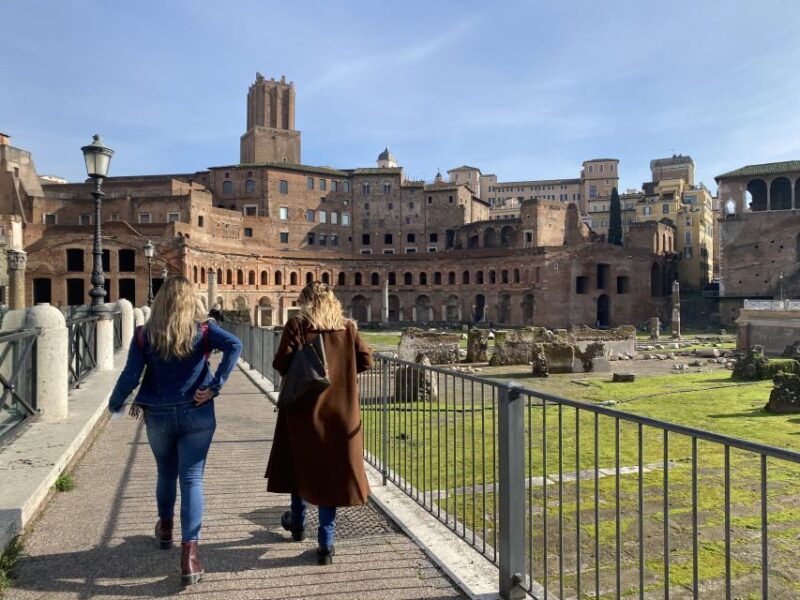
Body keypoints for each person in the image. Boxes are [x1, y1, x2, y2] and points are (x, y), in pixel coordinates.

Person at [108, 275, 242, 586]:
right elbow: (235, 345)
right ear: (190, 300)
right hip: (197, 411)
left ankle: (166, 529)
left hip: (159, 413)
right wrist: (215, 385)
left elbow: (130, 375)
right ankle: (190, 557)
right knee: (192, 478)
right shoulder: (204, 330)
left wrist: (115, 406)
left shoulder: (144, 334)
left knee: (166, 473)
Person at [265, 281, 373, 565]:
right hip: (341, 411)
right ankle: (326, 542)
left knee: (299, 465)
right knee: (331, 473)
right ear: (332, 301)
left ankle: (298, 524)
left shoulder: (298, 325)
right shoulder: (347, 327)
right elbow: (366, 360)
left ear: (305, 302)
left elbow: (281, 363)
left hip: (303, 409)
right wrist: (342, 372)